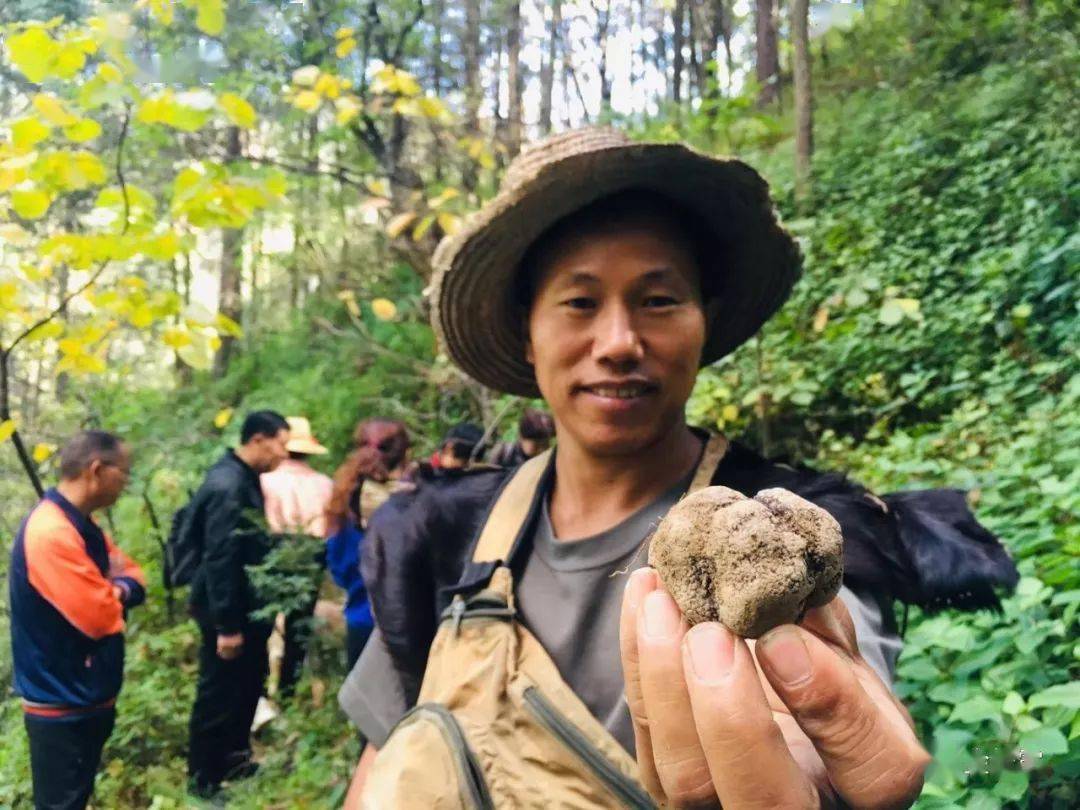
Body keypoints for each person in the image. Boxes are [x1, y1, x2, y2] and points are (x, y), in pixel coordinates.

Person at [339, 129, 1018, 807]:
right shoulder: (442, 533)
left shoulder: (779, 525)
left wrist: (820, 756)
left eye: (658, 300)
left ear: (705, 321)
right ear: (527, 330)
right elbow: (388, 752)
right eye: (579, 302)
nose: (619, 343)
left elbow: (838, 660)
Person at [9, 430, 145, 810]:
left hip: (84, 695)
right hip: (61, 702)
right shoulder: (51, 532)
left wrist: (115, 589)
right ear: (97, 470)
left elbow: (134, 575)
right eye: (125, 473)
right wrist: (116, 592)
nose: (126, 483)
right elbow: (100, 616)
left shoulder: (83, 527)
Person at [185, 410, 289, 798]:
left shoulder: (244, 478)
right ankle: (202, 782)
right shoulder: (228, 485)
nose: (284, 452)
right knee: (217, 692)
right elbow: (221, 557)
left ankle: (234, 760)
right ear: (259, 439)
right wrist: (227, 626)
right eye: (281, 442)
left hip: (245, 608)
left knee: (246, 682)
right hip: (225, 610)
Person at [325, 420, 411, 669]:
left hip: (361, 622)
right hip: (407, 625)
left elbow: (339, 570)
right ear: (405, 453)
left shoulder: (343, 500)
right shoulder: (416, 500)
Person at [259, 416, 333, 701]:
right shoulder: (323, 483)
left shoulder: (265, 481)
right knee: (299, 625)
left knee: (265, 623)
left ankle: (263, 692)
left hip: (275, 549)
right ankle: (289, 691)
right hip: (313, 552)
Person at [489, 407, 555, 467]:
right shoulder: (504, 454)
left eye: (545, 444)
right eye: (536, 444)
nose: (541, 450)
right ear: (521, 437)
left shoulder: (549, 460)